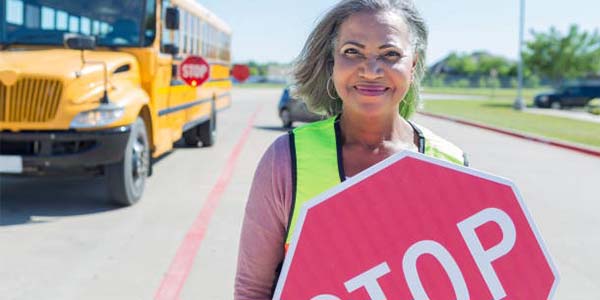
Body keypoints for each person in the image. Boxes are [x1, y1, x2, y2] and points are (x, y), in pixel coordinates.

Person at [235, 0, 468, 298]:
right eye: (352, 52)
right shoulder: (287, 159)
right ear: (333, 62)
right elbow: (253, 289)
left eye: (391, 54)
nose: (371, 71)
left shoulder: (450, 163)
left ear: (412, 64)